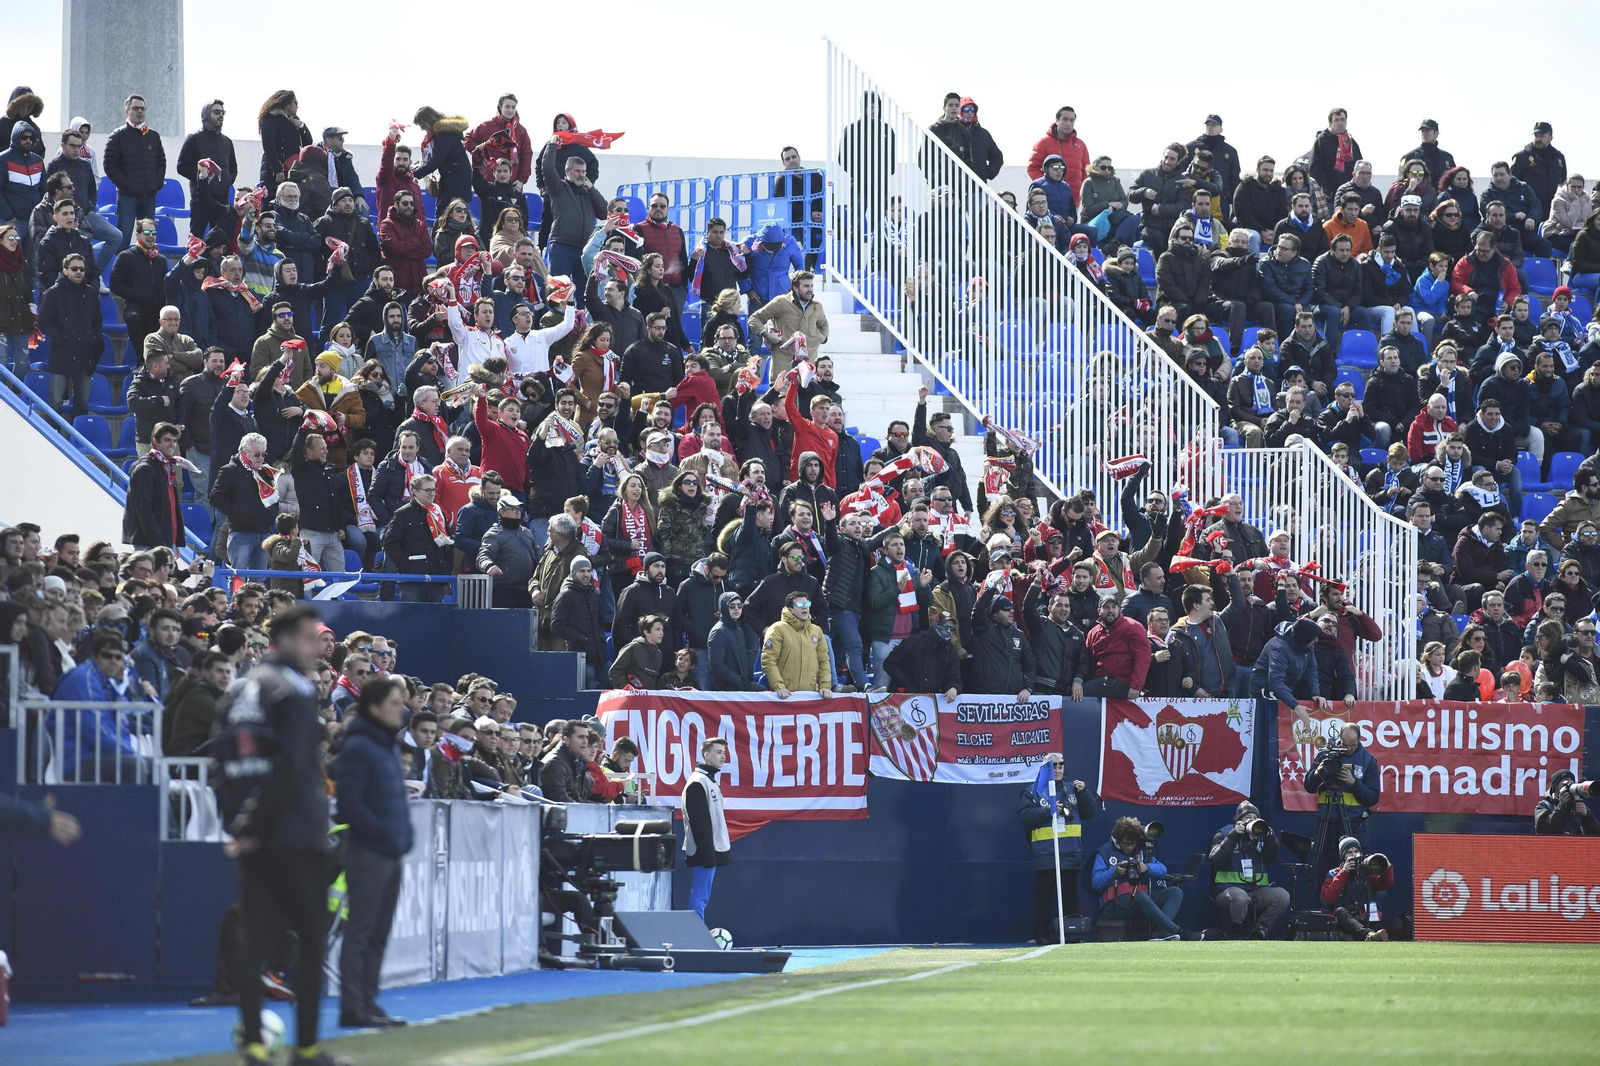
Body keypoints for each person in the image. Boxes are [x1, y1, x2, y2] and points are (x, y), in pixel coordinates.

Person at [217, 606, 344, 1064]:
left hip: (255, 837)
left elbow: (223, 767)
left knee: (255, 940)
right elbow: (291, 767)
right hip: (295, 833)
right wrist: (258, 823)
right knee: (310, 942)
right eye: (312, 638)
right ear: (287, 638)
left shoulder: (235, 690)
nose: (318, 649)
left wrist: (241, 825)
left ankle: (253, 1044)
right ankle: (306, 1049)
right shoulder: (294, 688)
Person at [333, 675, 411, 1029]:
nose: (402, 709)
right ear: (376, 706)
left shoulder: (386, 744)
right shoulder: (360, 746)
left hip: (389, 850)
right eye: (396, 702)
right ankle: (353, 1006)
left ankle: (368, 1001)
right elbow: (349, 804)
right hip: (368, 850)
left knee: (378, 932)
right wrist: (383, 834)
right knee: (361, 930)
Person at [1019, 753, 1097, 944]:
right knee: (1043, 897)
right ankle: (1041, 935)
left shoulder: (1073, 789)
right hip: (1045, 853)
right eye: (1054, 766)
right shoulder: (1032, 792)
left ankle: (1071, 934)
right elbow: (1025, 817)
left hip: (1070, 852)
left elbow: (1090, 813)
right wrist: (1049, 809)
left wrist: (1085, 792)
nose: (1058, 769)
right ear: (1045, 769)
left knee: (1070, 897)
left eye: (1061, 765)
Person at [1091, 816, 1201, 941]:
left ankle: (1160, 931)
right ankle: (1178, 931)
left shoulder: (1140, 851)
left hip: (1140, 903)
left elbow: (1163, 870)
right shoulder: (1105, 851)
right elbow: (1096, 883)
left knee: (1175, 892)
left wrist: (1147, 867)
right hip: (1114, 905)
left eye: (1133, 843)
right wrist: (1113, 871)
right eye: (1126, 843)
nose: (1130, 847)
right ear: (1118, 839)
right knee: (1141, 895)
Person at [1208, 801, 1290, 940]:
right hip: (1227, 891)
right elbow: (1215, 860)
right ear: (1239, 820)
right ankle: (1236, 933)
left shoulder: (1261, 835)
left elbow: (1272, 858)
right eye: (1247, 817)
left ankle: (1260, 930)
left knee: (1282, 896)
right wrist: (1233, 836)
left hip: (1256, 890)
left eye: (1254, 817)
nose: (1251, 820)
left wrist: (1270, 837)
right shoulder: (1224, 833)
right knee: (1240, 897)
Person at [103, 94, 167, 255]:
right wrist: (126, 185)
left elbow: (161, 162)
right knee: (123, 239)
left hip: (149, 196)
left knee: (149, 238)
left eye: (142, 108)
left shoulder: (154, 136)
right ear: (127, 111)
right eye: (135, 108)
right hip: (127, 197)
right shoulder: (118, 135)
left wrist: (156, 184)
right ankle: (120, 275)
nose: (139, 111)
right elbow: (109, 165)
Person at [683, 737, 732, 921]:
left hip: (709, 850)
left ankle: (696, 938)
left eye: (724, 753)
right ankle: (695, 940)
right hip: (705, 851)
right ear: (706, 755)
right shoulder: (697, 782)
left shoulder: (708, 780)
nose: (723, 757)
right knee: (700, 898)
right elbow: (699, 822)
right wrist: (708, 854)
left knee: (702, 897)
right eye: (719, 752)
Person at [759, 591, 833, 699]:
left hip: (811, 696)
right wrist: (779, 686)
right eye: (799, 605)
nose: (805, 607)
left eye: (807, 604)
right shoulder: (777, 629)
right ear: (790, 610)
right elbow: (768, 660)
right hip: (785, 697)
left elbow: (824, 661)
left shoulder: (816, 631)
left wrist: (825, 686)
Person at [1320, 836, 1394, 941]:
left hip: (1365, 918)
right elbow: (1328, 898)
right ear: (1343, 856)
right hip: (1344, 920)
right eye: (1349, 852)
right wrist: (1344, 873)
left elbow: (1385, 885)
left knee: (1397, 924)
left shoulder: (1366, 873)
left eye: (1356, 851)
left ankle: (1359, 936)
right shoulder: (1334, 874)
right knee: (1340, 911)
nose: (1354, 855)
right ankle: (1369, 935)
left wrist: (1388, 867)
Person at [1533, 770, 1598, 836]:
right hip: (1556, 845)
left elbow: (1596, 833)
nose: (1569, 783)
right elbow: (1542, 832)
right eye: (1565, 780)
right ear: (1555, 786)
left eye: (1571, 780)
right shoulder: (1544, 806)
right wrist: (1561, 807)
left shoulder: (1576, 805)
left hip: (1577, 845)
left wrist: (1587, 815)